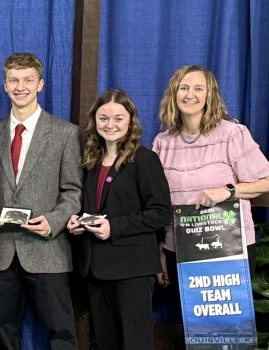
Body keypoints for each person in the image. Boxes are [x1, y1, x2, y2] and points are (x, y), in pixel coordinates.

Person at [151, 65, 269, 322]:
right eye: (183, 88)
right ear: (174, 94)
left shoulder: (232, 133)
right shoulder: (163, 143)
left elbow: (266, 182)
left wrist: (227, 191)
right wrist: (161, 250)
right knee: (194, 329)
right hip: (181, 250)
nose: (190, 95)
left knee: (230, 329)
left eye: (198, 88)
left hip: (230, 248)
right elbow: (159, 203)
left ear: (210, 95)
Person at [0, 52, 81, 350]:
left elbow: (73, 192)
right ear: (5, 85)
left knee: (61, 334)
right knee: (4, 334)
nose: (20, 86)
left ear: (41, 84)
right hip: (0, 251)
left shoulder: (65, 133)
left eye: (27, 80)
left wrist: (52, 221)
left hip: (47, 251)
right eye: (14, 80)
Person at [65, 89, 172, 349]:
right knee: (102, 342)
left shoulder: (145, 160)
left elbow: (161, 212)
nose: (110, 124)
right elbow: (91, 207)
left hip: (132, 269)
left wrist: (114, 227)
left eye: (118, 118)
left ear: (130, 120)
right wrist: (76, 222)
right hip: (95, 267)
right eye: (103, 118)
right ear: (95, 120)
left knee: (135, 342)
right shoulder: (89, 161)